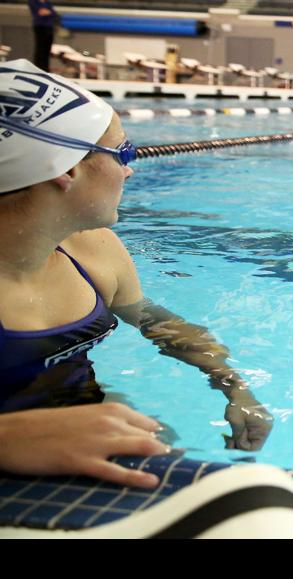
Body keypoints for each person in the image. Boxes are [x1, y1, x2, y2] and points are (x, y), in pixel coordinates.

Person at [0, 61, 271, 489]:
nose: (130, 169)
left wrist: (234, 386)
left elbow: (154, 321)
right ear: (67, 169)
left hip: (85, 423)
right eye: (123, 152)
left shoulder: (93, 249)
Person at [31, 1, 58, 73]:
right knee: (40, 48)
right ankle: (37, 68)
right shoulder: (33, 2)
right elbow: (40, 13)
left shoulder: (47, 2)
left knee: (47, 49)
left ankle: (45, 69)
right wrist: (48, 12)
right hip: (40, 27)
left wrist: (48, 12)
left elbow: (54, 14)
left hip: (49, 27)